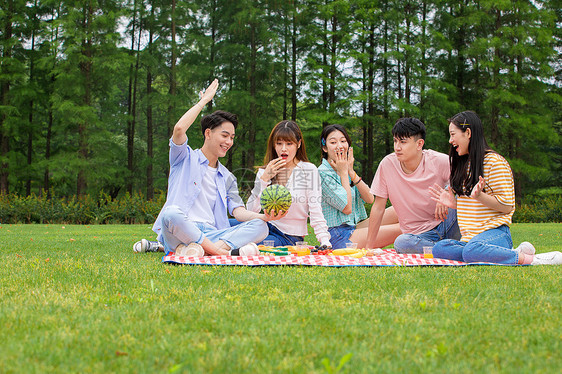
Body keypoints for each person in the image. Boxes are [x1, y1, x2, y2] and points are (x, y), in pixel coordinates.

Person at [133, 79, 284, 256]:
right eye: (225, 135)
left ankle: (195, 249)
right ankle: (222, 253)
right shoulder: (184, 158)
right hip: (180, 229)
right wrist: (203, 101)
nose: (229, 142)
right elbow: (179, 129)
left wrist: (264, 217)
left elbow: (238, 212)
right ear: (208, 133)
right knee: (171, 213)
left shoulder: (228, 176)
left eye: (232, 138)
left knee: (260, 226)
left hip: (212, 233)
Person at [429, 111, 562, 265]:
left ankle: (532, 259)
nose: (450, 140)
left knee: (471, 251)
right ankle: (508, 253)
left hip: (496, 233)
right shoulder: (463, 164)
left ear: (468, 133)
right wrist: (454, 204)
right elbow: (474, 208)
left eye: (453, 134)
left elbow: (507, 207)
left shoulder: (495, 163)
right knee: (440, 248)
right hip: (470, 240)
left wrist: (480, 196)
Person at [366, 117, 461, 253]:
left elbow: (465, 179)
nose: (397, 147)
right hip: (418, 236)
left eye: (403, 142)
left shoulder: (438, 161)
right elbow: (378, 207)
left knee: (465, 199)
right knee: (401, 243)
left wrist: (448, 191)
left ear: (419, 144)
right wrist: (369, 247)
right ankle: (450, 249)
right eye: (395, 141)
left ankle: (449, 247)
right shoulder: (387, 164)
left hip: (446, 223)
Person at [246, 120, 331, 247]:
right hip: (262, 227)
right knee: (226, 227)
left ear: (299, 144)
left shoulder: (308, 170)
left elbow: (316, 210)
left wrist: (325, 241)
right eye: (279, 143)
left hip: (289, 237)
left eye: (289, 143)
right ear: (273, 145)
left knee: (245, 245)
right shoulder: (265, 171)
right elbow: (251, 210)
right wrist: (264, 180)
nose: (283, 148)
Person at [318, 124, 401, 249]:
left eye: (343, 141)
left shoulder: (345, 168)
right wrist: (344, 173)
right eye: (333, 142)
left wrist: (351, 173)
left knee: (399, 210)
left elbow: (369, 199)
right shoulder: (322, 173)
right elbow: (347, 208)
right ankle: (434, 237)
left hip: (354, 227)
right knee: (402, 228)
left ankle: (436, 228)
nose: (339, 146)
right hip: (338, 236)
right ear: (325, 148)